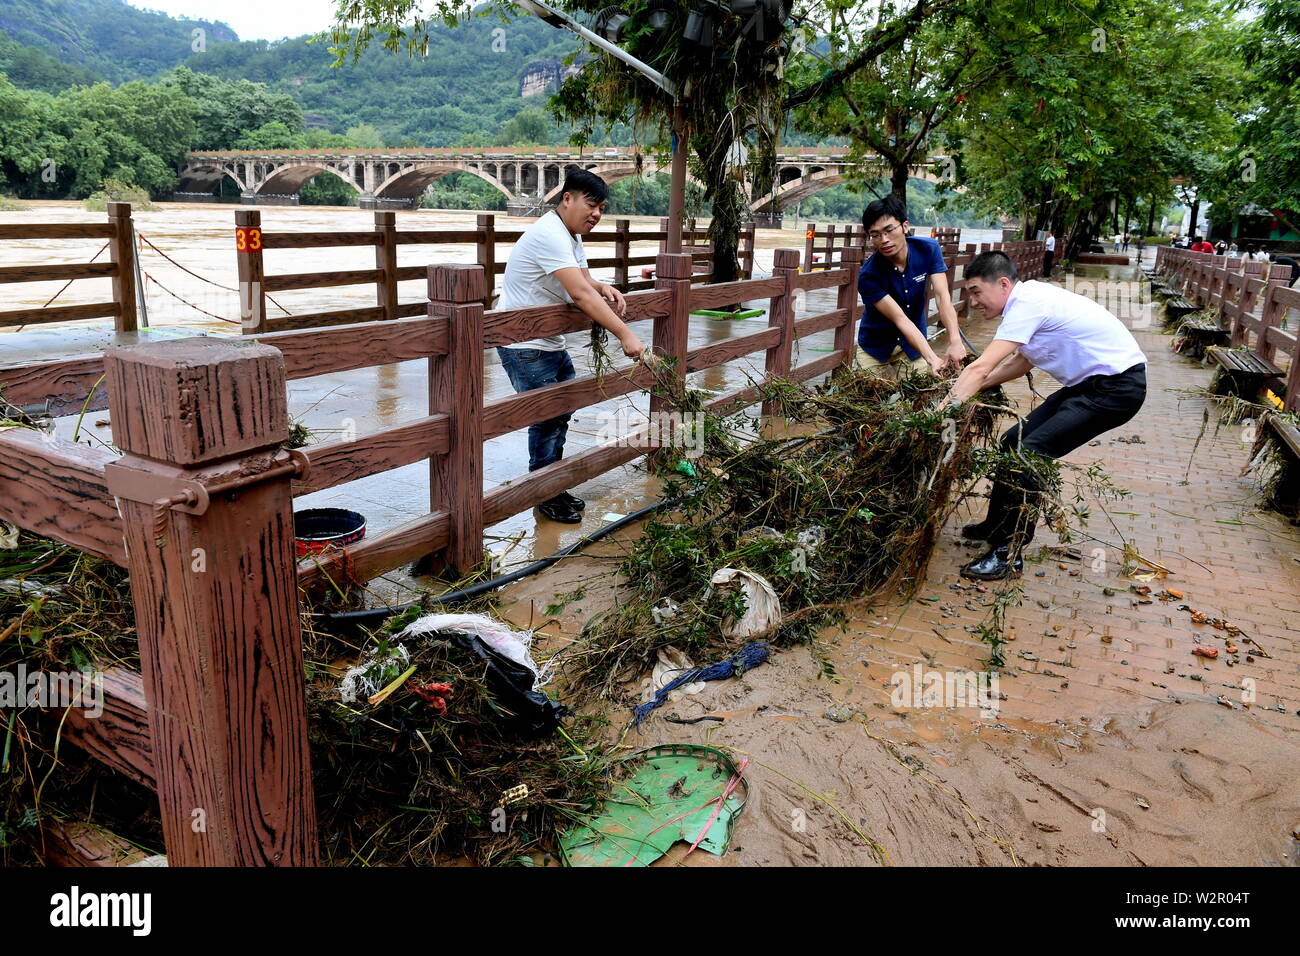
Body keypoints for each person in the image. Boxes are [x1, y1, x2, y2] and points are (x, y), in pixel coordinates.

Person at [941, 251, 1148, 580]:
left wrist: (943, 409)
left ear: (1004, 284)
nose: (975, 302)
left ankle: (1008, 553)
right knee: (1014, 440)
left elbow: (982, 366)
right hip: (1088, 386)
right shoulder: (1028, 300)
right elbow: (1021, 362)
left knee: (1030, 453)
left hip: (1116, 390)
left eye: (977, 292)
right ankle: (996, 526)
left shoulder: (1027, 303)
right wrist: (970, 387)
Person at [495, 167, 648, 524]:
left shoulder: (570, 235)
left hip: (547, 342)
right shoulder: (550, 234)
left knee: (560, 412)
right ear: (567, 199)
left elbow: (583, 281)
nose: (596, 213)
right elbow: (578, 293)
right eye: (591, 204)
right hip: (525, 345)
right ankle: (544, 493)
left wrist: (603, 287)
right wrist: (625, 333)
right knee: (548, 418)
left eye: (601, 208)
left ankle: (552, 485)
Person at [854, 196, 964, 377]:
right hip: (875, 347)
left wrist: (955, 340)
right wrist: (932, 358)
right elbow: (900, 319)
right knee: (870, 399)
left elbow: (942, 297)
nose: (884, 240)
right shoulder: (868, 275)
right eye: (875, 235)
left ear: (905, 226)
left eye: (889, 230)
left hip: (912, 346)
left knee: (917, 397)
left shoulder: (929, 249)